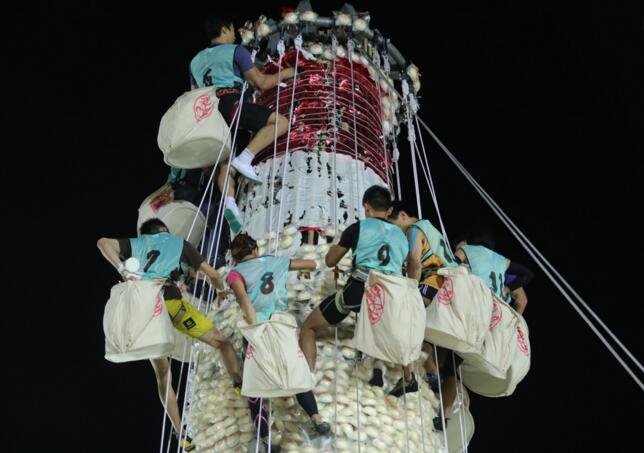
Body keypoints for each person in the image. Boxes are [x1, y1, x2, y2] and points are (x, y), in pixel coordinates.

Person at [97, 218, 242, 451]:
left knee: (163, 375)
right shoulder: (178, 243)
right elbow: (213, 274)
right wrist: (220, 290)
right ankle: (238, 382)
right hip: (172, 305)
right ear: (164, 229)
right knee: (220, 341)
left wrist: (123, 269)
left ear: (146, 234)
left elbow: (103, 242)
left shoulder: (137, 244)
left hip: (146, 314)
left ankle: (180, 432)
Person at [298, 186, 416, 396]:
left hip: (360, 290)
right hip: (390, 296)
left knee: (308, 327)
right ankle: (405, 376)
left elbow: (330, 261)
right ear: (389, 210)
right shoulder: (401, 236)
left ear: (366, 207)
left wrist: (336, 247)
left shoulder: (358, 227)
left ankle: (306, 379)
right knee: (382, 326)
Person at [189, 17, 296, 233]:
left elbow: (193, 95)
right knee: (281, 122)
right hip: (229, 103)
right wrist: (288, 72)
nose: (235, 35)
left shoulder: (195, 61)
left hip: (207, 115)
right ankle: (245, 158)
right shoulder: (236, 51)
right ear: (224, 29)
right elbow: (261, 83)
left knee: (224, 162)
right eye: (232, 30)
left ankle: (230, 204)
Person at [227, 233, 330, 451]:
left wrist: (254, 326)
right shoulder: (276, 261)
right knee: (294, 369)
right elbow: (311, 264)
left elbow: (244, 298)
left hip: (258, 327)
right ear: (255, 249)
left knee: (255, 383)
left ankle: (266, 439)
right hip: (282, 324)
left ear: (235, 258)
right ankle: (317, 418)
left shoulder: (235, 273)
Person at [453, 231, 533, 315]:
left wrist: (507, 289)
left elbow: (521, 300)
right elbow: (522, 300)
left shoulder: (468, 251)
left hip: (475, 306)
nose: (456, 250)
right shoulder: (501, 263)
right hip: (493, 312)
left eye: (457, 247)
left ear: (465, 242)